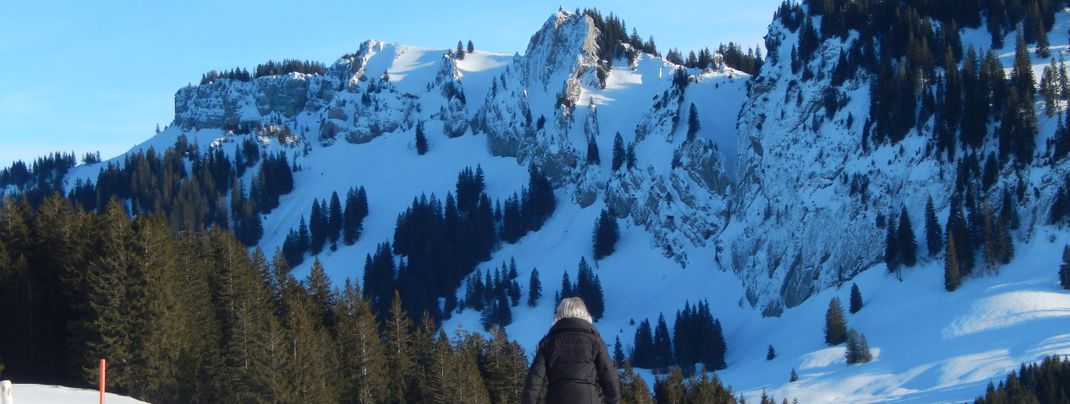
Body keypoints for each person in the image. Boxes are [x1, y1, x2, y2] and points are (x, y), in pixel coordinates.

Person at [521, 297, 620, 404]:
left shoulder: (548, 342)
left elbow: (535, 378)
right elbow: (609, 376)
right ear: (585, 315)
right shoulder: (595, 341)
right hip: (587, 398)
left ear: (559, 315)